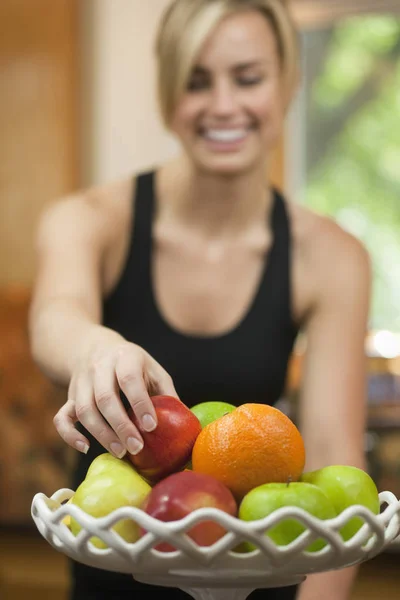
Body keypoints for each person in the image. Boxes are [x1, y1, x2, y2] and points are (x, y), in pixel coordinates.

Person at [29, 0, 371, 598]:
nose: (223, 105)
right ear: (167, 94)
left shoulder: (332, 256)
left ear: (287, 84)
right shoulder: (87, 221)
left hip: (260, 566)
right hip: (114, 567)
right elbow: (56, 316)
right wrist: (94, 347)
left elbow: (336, 453)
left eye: (248, 77)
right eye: (196, 81)